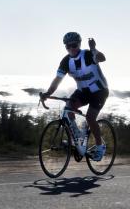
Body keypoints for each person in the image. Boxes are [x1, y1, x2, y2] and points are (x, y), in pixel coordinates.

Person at [41, 32, 109, 161]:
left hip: (99, 91)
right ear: (65, 47)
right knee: (68, 107)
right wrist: (48, 93)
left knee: (90, 117)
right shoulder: (66, 61)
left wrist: (93, 48)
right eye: (68, 46)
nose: (71, 48)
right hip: (83, 91)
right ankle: (77, 137)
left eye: (74, 45)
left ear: (79, 44)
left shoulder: (88, 55)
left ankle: (100, 147)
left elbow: (102, 58)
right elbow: (57, 79)